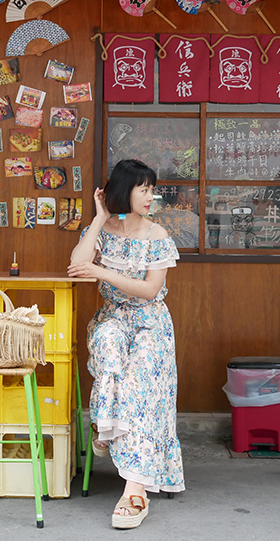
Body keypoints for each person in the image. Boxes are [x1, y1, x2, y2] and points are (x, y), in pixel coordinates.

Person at [68, 159, 184, 529]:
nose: (151, 196)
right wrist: (100, 217)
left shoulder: (158, 236)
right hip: (114, 317)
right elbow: (77, 264)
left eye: (152, 189)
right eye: (143, 189)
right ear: (124, 191)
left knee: (139, 383)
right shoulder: (105, 228)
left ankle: (135, 490)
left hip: (150, 324)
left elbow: (150, 291)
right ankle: (106, 427)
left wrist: (103, 271)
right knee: (105, 341)